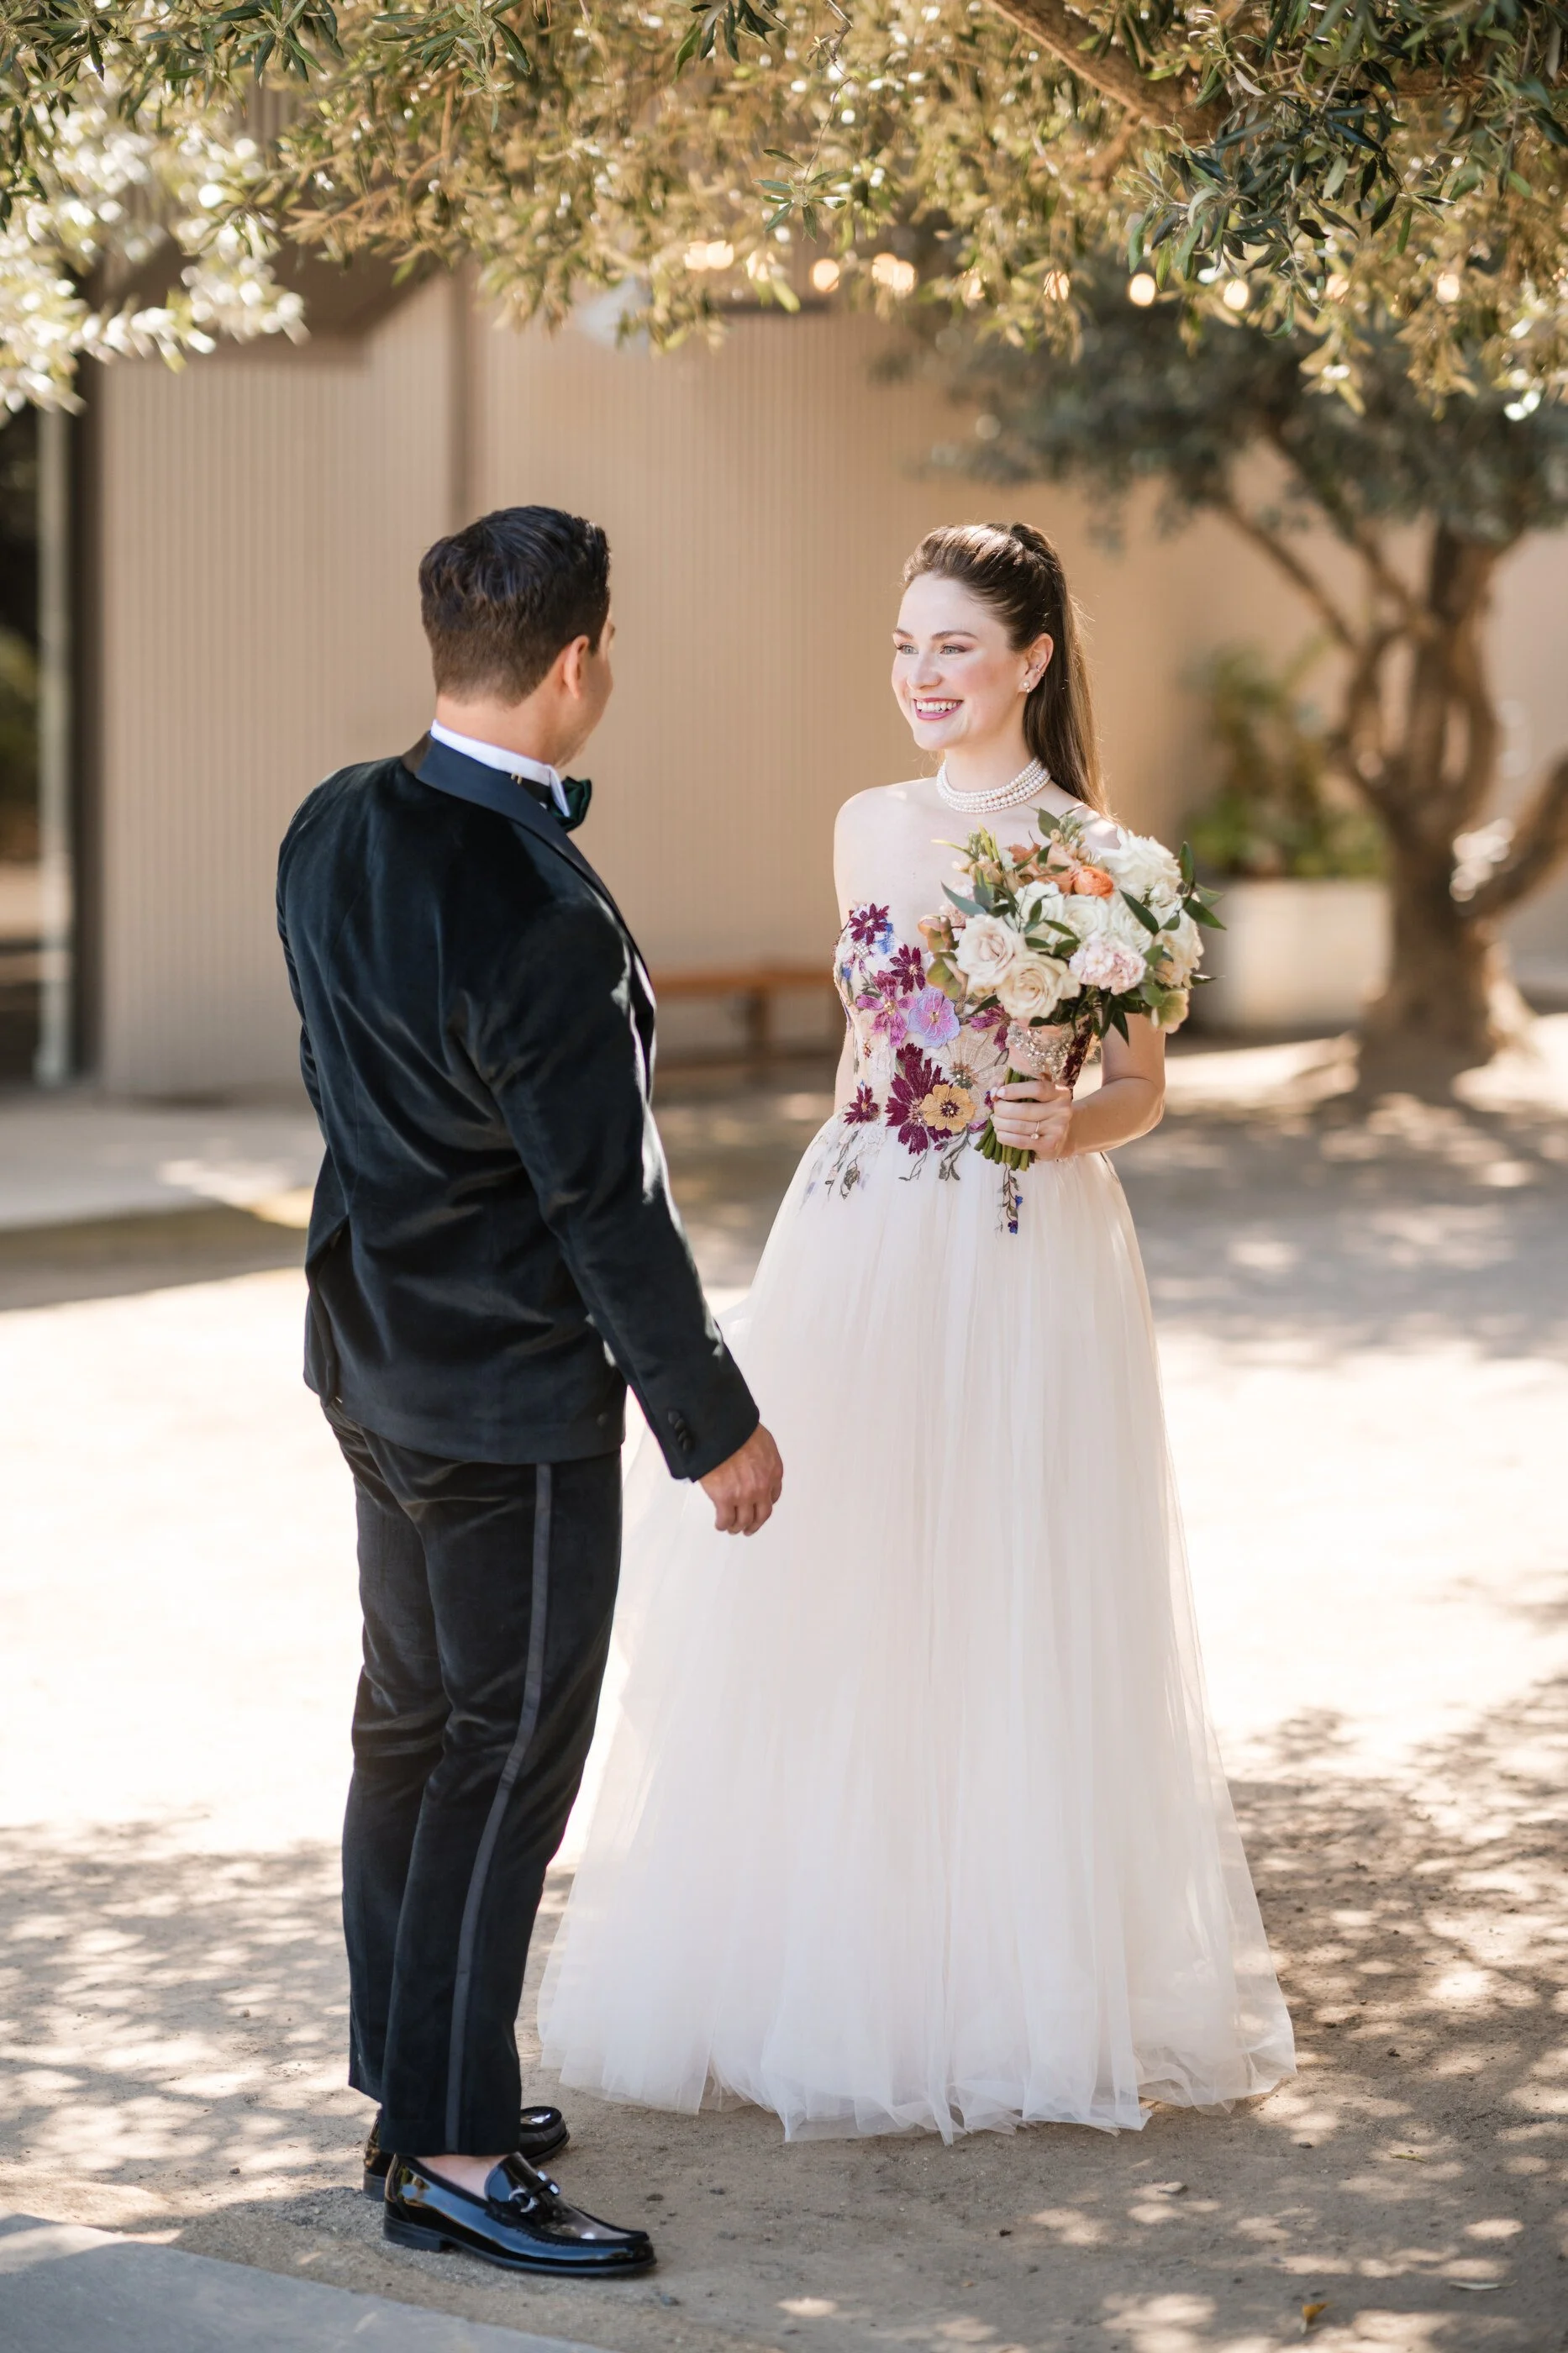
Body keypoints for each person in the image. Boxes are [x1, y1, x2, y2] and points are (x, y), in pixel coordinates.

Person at [539, 520, 1294, 2140]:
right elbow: (853, 1056)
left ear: (1030, 657)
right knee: (851, 1571)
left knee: (1009, 1579)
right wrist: (817, 1233)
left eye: (953, 646)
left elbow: (1141, 1089)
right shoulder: (864, 827)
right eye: (903, 647)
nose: (921, 677)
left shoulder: (1112, 862)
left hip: (1027, 1245)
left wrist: (1059, 1125)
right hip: (865, 1219)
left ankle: (1002, 1992)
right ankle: (828, 1967)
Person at [276, 505, 782, 2274]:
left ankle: (411, 2072)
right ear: (581, 662)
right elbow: (606, 1200)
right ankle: (457, 2155)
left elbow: (347, 1084)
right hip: (508, 1410)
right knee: (501, 1757)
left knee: (410, 1723)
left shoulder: (329, 823)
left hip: (373, 1361)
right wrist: (709, 1417)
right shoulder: (548, 912)